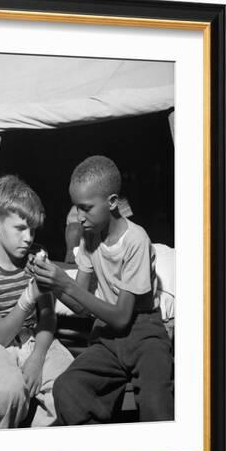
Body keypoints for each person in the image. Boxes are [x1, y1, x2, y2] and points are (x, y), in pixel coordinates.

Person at [31, 156, 174, 425]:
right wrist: (51, 284)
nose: (79, 218)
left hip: (143, 332)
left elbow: (122, 316)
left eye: (86, 208)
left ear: (111, 202)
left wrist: (67, 283)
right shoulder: (90, 237)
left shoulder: (136, 240)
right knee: (68, 387)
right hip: (106, 336)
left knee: (157, 403)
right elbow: (81, 307)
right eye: (76, 208)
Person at [0, 175, 74, 429]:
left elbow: (47, 316)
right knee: (8, 390)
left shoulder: (35, 259)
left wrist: (37, 357)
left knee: (69, 385)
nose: (28, 238)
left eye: (32, 230)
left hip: (34, 335)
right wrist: (28, 295)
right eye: (20, 228)